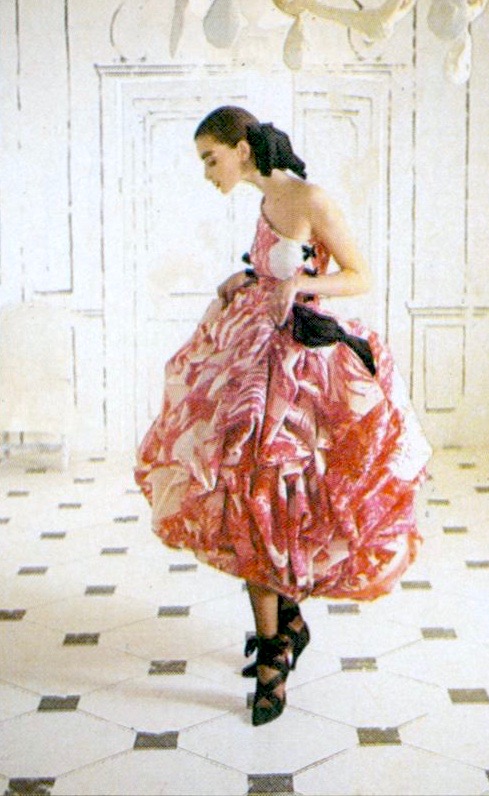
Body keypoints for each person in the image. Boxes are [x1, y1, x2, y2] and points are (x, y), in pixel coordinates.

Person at [135, 105, 432, 727]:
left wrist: (301, 288)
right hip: (254, 361)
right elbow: (274, 267)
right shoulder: (266, 199)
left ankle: (277, 647)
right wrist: (243, 279)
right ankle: (284, 624)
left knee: (273, 497)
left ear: (241, 149)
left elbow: (358, 275)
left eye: (211, 159)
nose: (208, 173)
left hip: (298, 371)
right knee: (249, 498)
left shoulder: (309, 197)